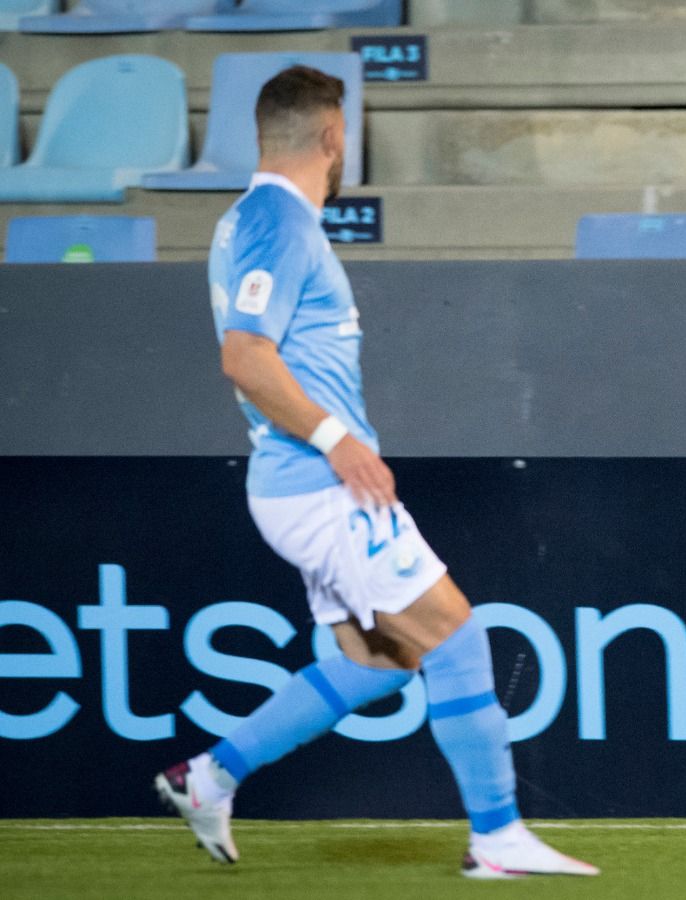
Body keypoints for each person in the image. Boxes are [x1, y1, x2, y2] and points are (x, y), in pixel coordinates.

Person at [153, 66, 597, 880]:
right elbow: (243, 356)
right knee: (458, 637)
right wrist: (336, 439)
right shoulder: (279, 222)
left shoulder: (247, 219)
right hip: (320, 483)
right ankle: (497, 839)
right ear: (333, 136)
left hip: (294, 484)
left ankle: (209, 777)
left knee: (376, 660)